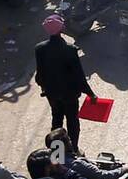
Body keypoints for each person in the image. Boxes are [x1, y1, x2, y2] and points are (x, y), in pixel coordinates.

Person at [34, 14, 96, 152]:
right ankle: (73, 150)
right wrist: (91, 94)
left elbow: (40, 74)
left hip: (52, 93)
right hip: (69, 94)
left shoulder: (39, 49)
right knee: (72, 122)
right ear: (62, 29)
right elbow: (79, 77)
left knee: (56, 121)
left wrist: (45, 87)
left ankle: (57, 153)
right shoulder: (70, 49)